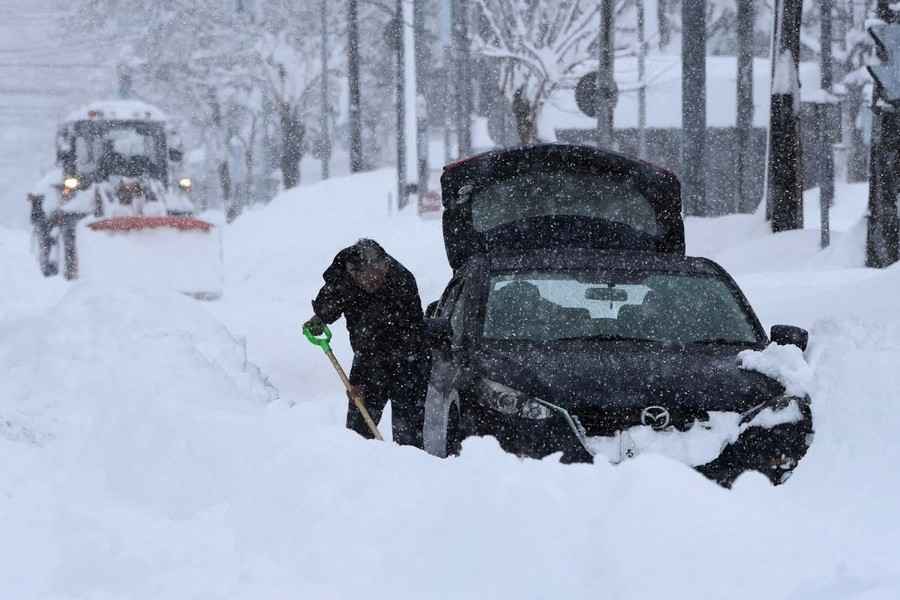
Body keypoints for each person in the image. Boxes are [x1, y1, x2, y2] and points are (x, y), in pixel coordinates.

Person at [304, 239, 429, 447]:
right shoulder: (344, 278)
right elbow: (328, 305)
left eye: (379, 276)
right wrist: (319, 318)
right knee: (358, 432)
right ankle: (357, 468)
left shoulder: (402, 281)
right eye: (368, 279)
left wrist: (381, 369)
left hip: (408, 358)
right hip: (368, 357)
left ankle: (407, 469)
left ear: (386, 265)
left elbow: (413, 333)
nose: (374, 282)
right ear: (354, 275)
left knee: (408, 433)